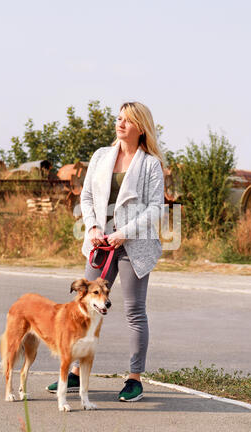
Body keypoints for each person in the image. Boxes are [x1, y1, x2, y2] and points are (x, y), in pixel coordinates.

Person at [46, 101, 165, 401]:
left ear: (141, 127)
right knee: (83, 305)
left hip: (133, 245)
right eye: (119, 118)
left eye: (127, 120)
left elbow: (155, 210)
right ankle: (73, 373)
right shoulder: (101, 156)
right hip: (101, 243)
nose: (120, 124)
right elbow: (86, 197)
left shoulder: (150, 164)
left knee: (135, 311)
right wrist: (93, 228)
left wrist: (123, 234)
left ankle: (134, 378)